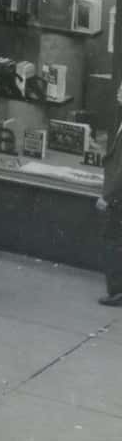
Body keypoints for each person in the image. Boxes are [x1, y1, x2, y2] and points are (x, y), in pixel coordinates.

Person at [98, 87, 122, 307]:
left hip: (119, 199)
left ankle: (116, 291)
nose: (118, 92)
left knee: (112, 240)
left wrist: (107, 196)